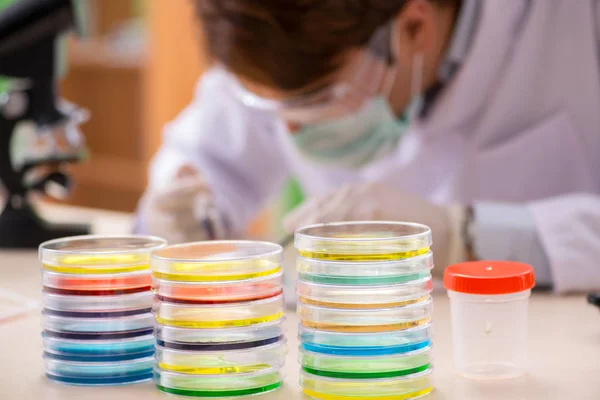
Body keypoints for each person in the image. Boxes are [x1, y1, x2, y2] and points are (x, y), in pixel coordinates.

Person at [136, 0, 600, 293]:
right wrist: (185, 201)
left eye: (319, 100)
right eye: (271, 106)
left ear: (415, 29)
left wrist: (466, 236)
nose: (289, 132)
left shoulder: (570, 18)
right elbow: (207, 155)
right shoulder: (279, 35)